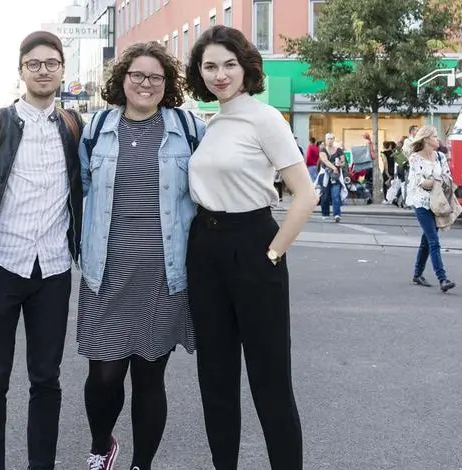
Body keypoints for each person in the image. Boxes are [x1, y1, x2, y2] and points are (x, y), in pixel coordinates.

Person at [183, 25, 316, 469]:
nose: (220, 74)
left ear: (245, 68)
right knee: (215, 379)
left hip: (253, 244)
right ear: (199, 73)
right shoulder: (213, 122)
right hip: (205, 250)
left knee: (270, 380)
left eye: (228, 64)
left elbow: (306, 193)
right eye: (210, 66)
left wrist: (274, 253)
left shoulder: (264, 118)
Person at [0, 30, 84, 470]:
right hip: (0, 268)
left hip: (52, 271)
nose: (43, 71)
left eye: (51, 63)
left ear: (63, 69)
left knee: (46, 379)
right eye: (34, 64)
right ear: (21, 71)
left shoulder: (72, 127)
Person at [77, 41, 205, 470]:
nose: (145, 83)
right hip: (106, 273)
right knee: (103, 376)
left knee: (150, 377)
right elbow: (82, 189)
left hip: (163, 277)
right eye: (137, 75)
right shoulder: (97, 128)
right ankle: (102, 446)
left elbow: (212, 186)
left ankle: (141, 464)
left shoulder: (188, 128)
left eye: (155, 77)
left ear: (166, 84)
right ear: (122, 79)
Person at [406, 125, 457, 292]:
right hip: (421, 202)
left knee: (426, 241)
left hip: (437, 202)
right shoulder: (415, 158)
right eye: (435, 136)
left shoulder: (441, 157)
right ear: (426, 139)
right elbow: (421, 182)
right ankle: (443, 278)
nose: (438, 140)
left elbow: (447, 177)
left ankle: (417, 274)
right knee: (434, 241)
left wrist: (434, 180)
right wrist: (436, 179)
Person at [317, 133, 346, 222]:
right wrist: (333, 167)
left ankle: (337, 214)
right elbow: (325, 160)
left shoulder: (338, 150)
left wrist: (340, 164)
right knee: (325, 195)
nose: (330, 140)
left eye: (331, 138)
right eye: (328, 138)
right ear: (325, 140)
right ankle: (325, 213)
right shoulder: (322, 150)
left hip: (335, 176)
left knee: (335, 195)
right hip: (325, 175)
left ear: (334, 140)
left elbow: (343, 161)